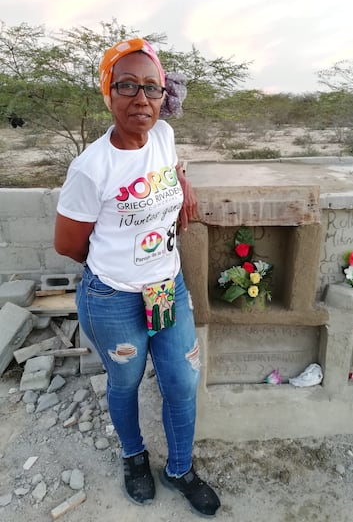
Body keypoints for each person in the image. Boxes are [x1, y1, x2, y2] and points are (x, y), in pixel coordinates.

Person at [54, 37, 221, 518]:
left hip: (167, 288)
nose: (141, 98)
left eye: (152, 87)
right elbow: (68, 245)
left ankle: (180, 468)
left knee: (182, 381)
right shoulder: (91, 168)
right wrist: (119, 265)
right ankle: (134, 457)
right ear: (108, 92)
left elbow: (168, 167)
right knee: (125, 381)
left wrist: (183, 183)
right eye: (127, 85)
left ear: (163, 95)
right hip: (113, 298)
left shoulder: (164, 137)